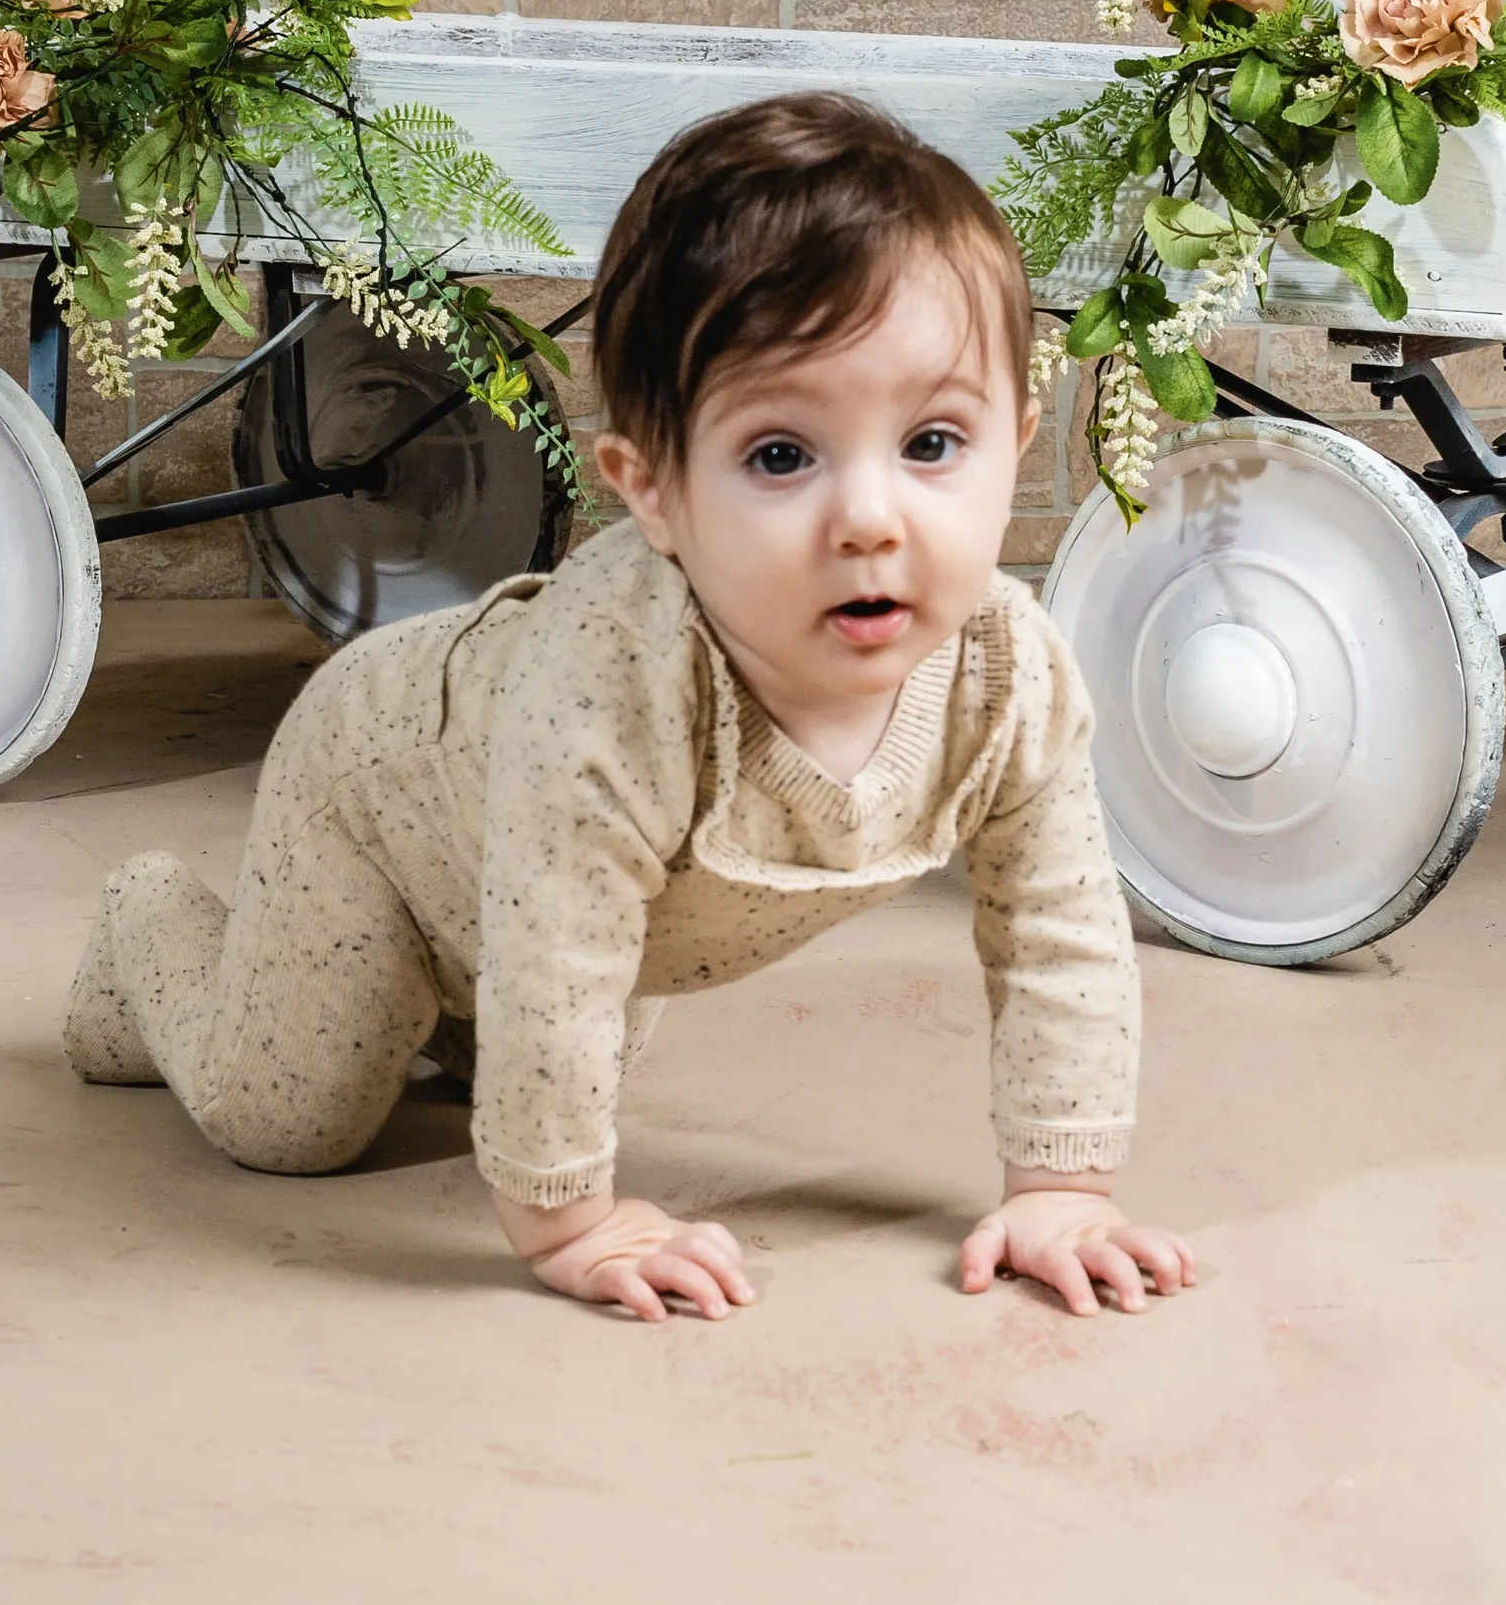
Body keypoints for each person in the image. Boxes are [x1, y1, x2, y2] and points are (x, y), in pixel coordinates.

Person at [65, 92, 1196, 1323]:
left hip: (599, 894)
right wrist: (571, 1221)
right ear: (650, 491)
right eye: (781, 455)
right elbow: (556, 953)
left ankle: (444, 1015)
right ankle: (149, 934)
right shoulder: (611, 692)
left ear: (1019, 443)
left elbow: (1060, 934)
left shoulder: (1009, 680)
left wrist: (1060, 1187)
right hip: (386, 796)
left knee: (564, 1037)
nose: (872, 518)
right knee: (292, 1118)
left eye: (932, 442)